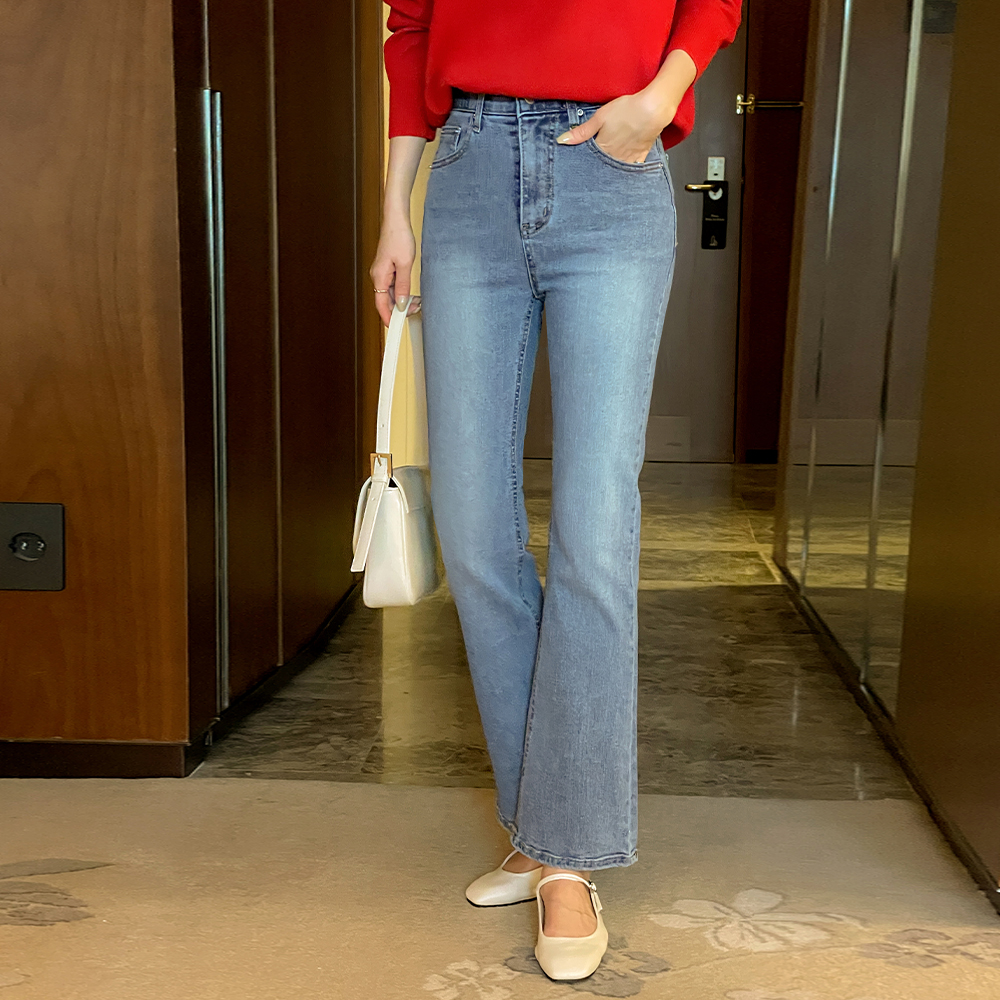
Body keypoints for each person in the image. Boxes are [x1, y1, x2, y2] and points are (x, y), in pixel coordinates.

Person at [371, 0, 742, 982]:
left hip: (610, 163)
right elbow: (410, 30)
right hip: (468, 171)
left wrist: (658, 99)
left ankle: (567, 857)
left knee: (592, 529)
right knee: (472, 529)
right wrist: (395, 212)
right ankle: (539, 830)